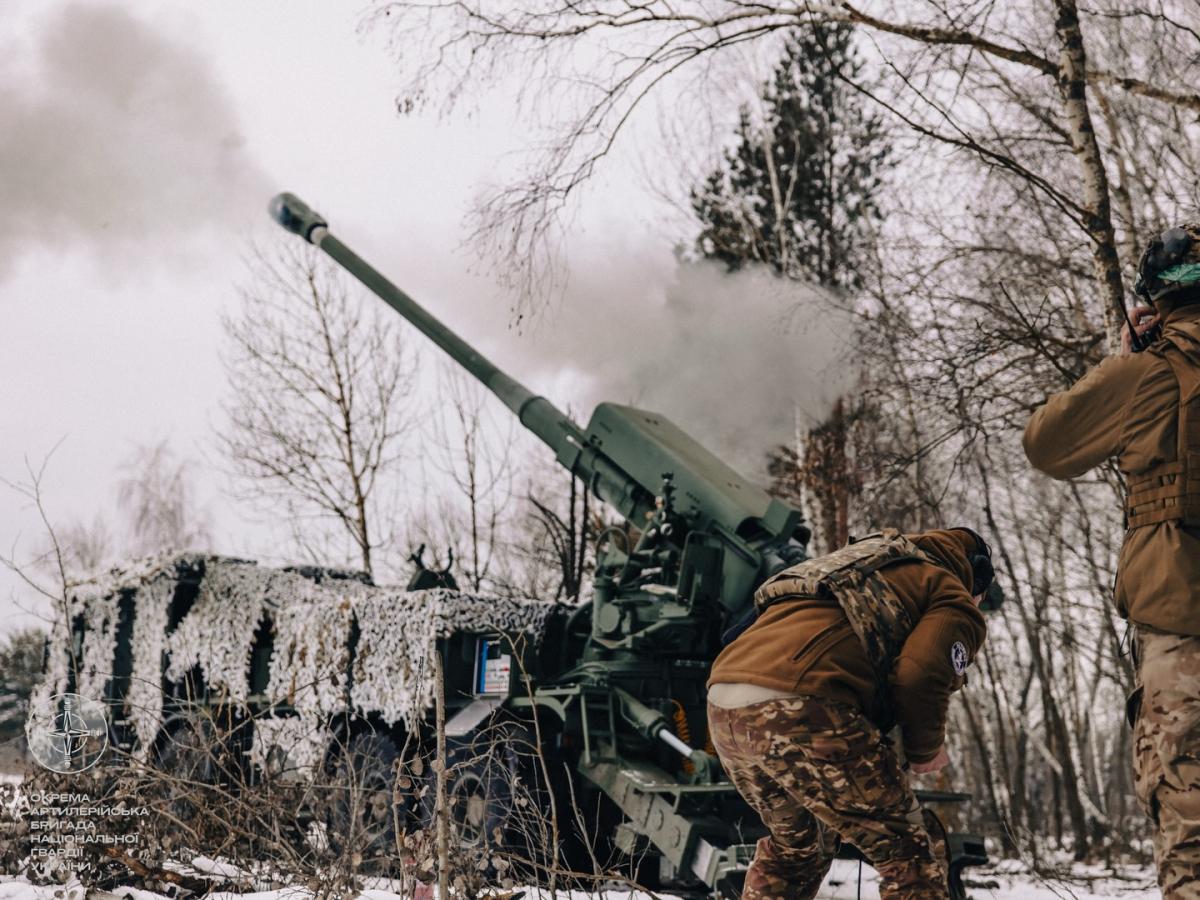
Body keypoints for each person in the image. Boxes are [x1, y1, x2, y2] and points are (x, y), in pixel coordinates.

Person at [1024, 222, 1200, 899]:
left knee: (1189, 821)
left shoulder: (1146, 373)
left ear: (1156, 297)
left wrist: (1126, 352)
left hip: (1182, 633)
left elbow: (1046, 444)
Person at [707, 527, 994, 900]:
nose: (976, 602)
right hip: (801, 708)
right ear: (974, 574)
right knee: (910, 854)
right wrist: (926, 750)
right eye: (980, 596)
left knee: (797, 850)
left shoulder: (857, 562)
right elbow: (920, 673)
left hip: (725, 704)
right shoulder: (948, 590)